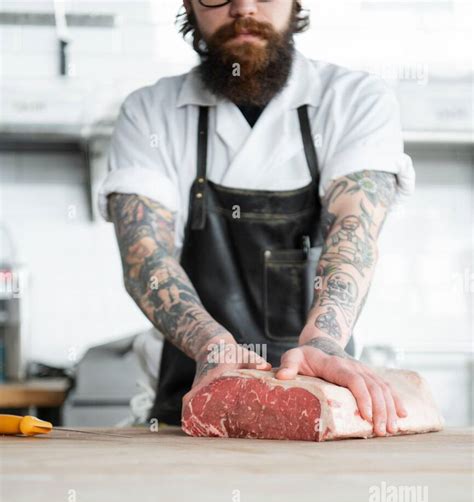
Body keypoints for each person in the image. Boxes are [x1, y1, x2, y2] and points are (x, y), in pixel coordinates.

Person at [98, 0, 415, 436]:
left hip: (323, 401)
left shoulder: (355, 100)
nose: (243, 7)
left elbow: (353, 228)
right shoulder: (149, 112)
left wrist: (322, 342)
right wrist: (212, 346)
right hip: (186, 414)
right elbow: (143, 258)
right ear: (189, 4)